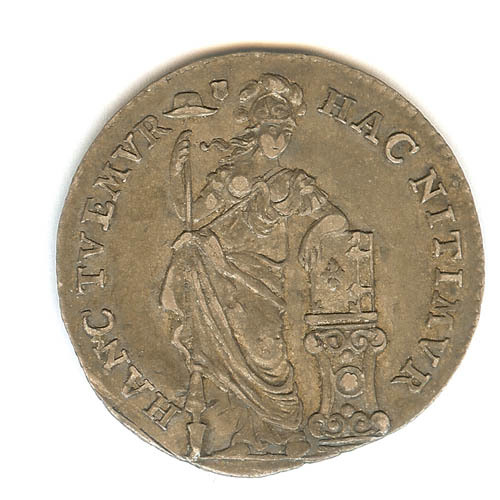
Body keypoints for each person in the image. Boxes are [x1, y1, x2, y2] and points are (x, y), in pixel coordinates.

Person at [161, 73, 348, 458]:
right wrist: (176, 174)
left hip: (263, 283)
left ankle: (278, 432)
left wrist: (313, 237)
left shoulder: (291, 182)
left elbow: (335, 219)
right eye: (271, 130)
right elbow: (192, 218)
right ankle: (242, 436)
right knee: (226, 355)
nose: (278, 140)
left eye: (285, 132)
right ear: (257, 129)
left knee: (267, 354)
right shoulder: (231, 179)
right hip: (222, 276)